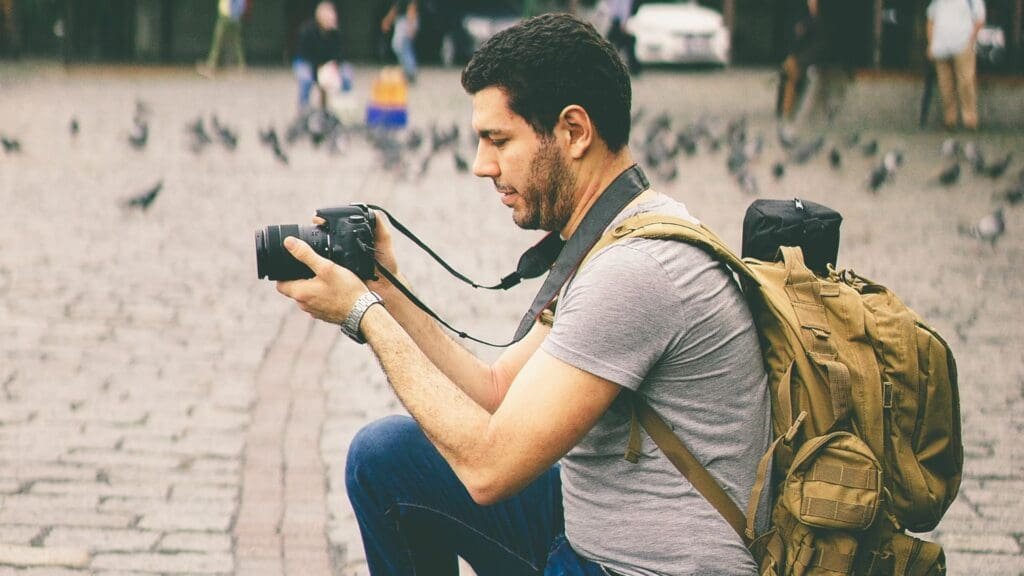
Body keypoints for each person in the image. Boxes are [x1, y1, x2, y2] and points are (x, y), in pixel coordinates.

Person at [276, 13, 769, 575]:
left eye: (498, 140)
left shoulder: (635, 271)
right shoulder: (616, 233)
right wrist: (387, 290)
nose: (483, 166)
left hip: (634, 568)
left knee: (441, 460)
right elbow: (497, 390)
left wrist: (364, 316)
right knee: (385, 458)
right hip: (590, 538)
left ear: (574, 132)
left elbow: (488, 469)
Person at [927, 0, 986, 130]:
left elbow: (980, 19)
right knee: (945, 85)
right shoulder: (938, 2)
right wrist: (930, 44)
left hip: (963, 46)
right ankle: (950, 119)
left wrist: (971, 40)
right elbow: (931, 21)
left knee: (966, 82)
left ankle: (970, 120)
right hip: (941, 47)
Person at [293, 1, 348, 111]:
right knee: (306, 78)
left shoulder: (336, 33)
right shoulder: (307, 31)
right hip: (306, 62)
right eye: (327, 16)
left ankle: (343, 108)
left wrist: (334, 65)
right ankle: (304, 110)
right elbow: (304, 53)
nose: (331, 19)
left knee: (347, 74)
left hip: (327, 64)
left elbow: (341, 54)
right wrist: (319, 67)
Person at [779, 0, 825, 120]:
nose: (811, 4)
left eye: (813, 3)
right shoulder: (806, 19)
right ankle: (785, 109)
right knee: (789, 72)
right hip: (800, 57)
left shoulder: (817, 21)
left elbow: (817, 45)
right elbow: (798, 40)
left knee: (791, 74)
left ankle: (787, 109)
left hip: (807, 59)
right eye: (810, 2)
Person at [198, 0, 247, 78]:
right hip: (235, 19)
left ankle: (211, 67)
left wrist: (231, 15)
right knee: (236, 43)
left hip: (226, 18)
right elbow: (242, 6)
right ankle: (241, 66)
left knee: (217, 44)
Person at [381, 0, 418, 84]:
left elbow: (411, 7)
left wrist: (411, 24)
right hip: (405, 20)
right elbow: (395, 9)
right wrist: (387, 20)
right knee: (400, 47)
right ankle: (408, 70)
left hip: (406, 20)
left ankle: (410, 72)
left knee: (404, 47)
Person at [602, 0, 640, 74]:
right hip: (616, 21)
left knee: (610, 44)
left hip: (619, 22)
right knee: (622, 44)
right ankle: (633, 67)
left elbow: (625, 8)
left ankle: (611, 65)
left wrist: (623, 23)